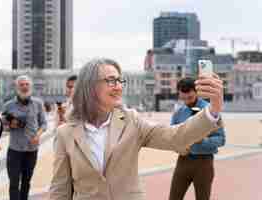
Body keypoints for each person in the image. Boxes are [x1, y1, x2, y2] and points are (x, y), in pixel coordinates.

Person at [49, 58, 224, 200]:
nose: (118, 86)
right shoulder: (65, 133)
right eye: (111, 81)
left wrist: (213, 109)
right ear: (89, 87)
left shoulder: (131, 120)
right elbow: (60, 189)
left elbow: (175, 136)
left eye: (120, 80)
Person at [168, 77, 226, 200]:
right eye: (183, 98)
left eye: (190, 97)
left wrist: (203, 141)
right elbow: (172, 137)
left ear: (196, 92)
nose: (187, 101)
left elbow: (221, 139)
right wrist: (177, 145)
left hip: (204, 163)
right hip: (183, 161)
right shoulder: (178, 113)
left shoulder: (211, 111)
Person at [2, 75, 47, 200]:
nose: (24, 87)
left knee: (26, 182)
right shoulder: (8, 105)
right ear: (17, 87)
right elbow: (3, 127)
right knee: (14, 183)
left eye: (27, 84)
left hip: (31, 150)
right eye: (21, 84)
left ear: (30, 86)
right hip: (14, 150)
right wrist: (11, 125)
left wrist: (38, 136)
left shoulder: (38, 103)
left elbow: (44, 123)